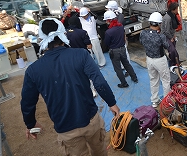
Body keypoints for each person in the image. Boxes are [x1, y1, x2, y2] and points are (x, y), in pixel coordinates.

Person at [20, 18, 120, 155]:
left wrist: (30, 124)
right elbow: (99, 82)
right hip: (91, 120)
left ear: (41, 38)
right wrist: (112, 103)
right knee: (100, 151)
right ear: (63, 34)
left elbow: (27, 101)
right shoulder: (81, 54)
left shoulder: (33, 70)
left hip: (66, 129)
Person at [139, 12, 171, 108]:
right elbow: (167, 46)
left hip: (149, 59)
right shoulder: (160, 36)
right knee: (165, 80)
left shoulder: (143, 33)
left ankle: (154, 101)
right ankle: (166, 101)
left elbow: (141, 42)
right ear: (159, 24)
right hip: (160, 59)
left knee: (153, 80)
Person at [103, 11, 138, 88]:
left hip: (114, 51)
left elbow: (106, 43)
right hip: (122, 49)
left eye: (106, 20)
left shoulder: (108, 32)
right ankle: (134, 78)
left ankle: (124, 83)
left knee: (117, 68)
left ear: (109, 20)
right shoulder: (121, 26)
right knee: (127, 64)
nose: (106, 22)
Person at [66, 16, 98, 97]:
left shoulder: (65, 34)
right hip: (83, 55)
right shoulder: (82, 32)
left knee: (79, 75)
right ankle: (93, 90)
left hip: (71, 57)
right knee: (89, 73)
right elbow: (89, 46)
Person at [105, 0, 129, 76]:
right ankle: (123, 67)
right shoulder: (115, 15)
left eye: (108, 8)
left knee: (125, 54)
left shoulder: (119, 17)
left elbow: (118, 29)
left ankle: (128, 70)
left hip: (120, 38)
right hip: (117, 39)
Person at [161, 2, 181, 66]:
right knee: (172, 50)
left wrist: (174, 35)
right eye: (176, 9)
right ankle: (174, 63)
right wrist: (171, 38)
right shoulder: (168, 18)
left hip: (171, 35)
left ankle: (175, 62)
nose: (177, 10)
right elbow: (166, 30)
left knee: (173, 50)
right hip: (167, 36)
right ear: (173, 10)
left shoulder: (173, 16)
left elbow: (173, 27)